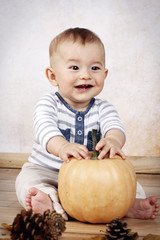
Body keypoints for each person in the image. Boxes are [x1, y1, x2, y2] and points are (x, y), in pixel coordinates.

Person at [16, 27, 159, 220]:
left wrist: (113, 141)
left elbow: (115, 127)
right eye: (75, 68)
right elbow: (45, 129)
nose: (85, 75)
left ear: (105, 74)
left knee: (127, 183)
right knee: (27, 181)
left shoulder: (103, 107)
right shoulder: (48, 103)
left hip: (92, 179)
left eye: (95, 68)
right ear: (53, 76)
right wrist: (63, 146)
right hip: (47, 170)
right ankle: (49, 202)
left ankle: (128, 206)